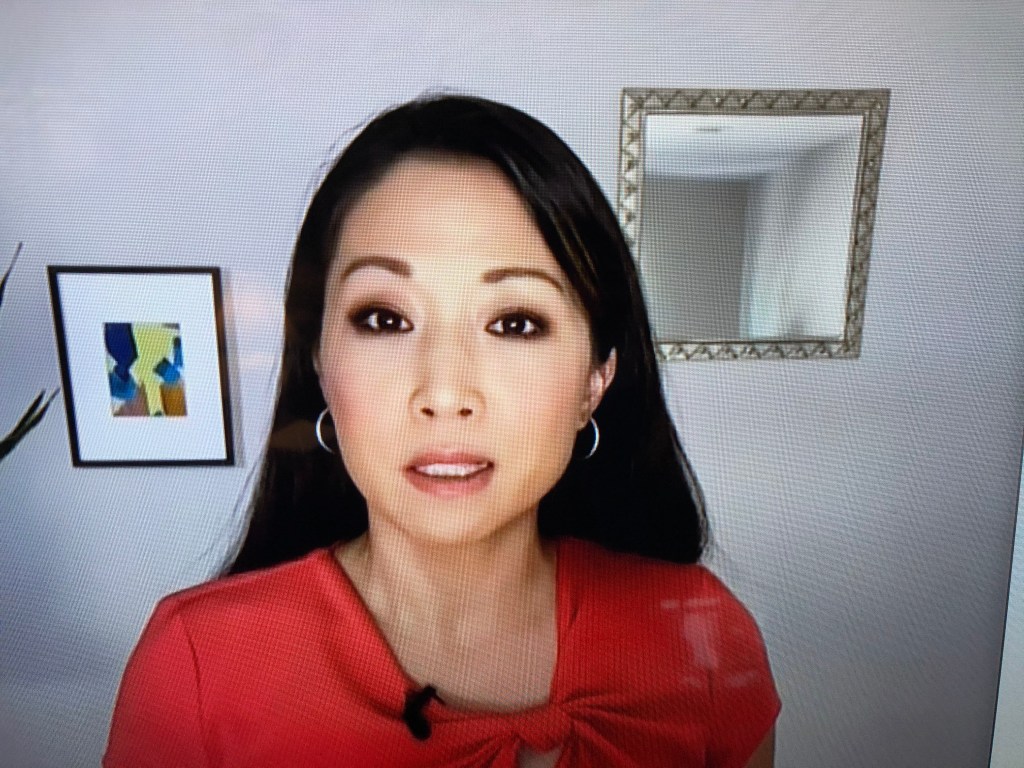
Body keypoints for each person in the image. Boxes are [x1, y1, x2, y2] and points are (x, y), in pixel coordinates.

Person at [103, 94, 780, 768]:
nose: (446, 393)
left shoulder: (705, 643)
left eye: (514, 323)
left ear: (594, 380)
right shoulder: (195, 665)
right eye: (385, 319)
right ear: (320, 363)